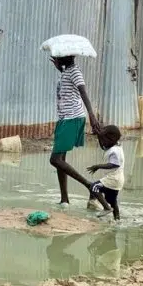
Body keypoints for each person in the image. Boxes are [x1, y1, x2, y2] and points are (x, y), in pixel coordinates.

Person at [48, 55, 106, 209]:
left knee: (55, 159)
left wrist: (92, 116)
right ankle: (64, 199)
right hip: (65, 118)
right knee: (61, 159)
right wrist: (60, 69)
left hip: (72, 118)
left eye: (59, 57)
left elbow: (83, 93)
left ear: (66, 58)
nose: (56, 58)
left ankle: (90, 186)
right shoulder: (67, 71)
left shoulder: (75, 72)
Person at [89, 125, 125, 221]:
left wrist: (98, 166)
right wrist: (98, 135)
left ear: (111, 139)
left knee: (94, 187)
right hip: (117, 179)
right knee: (112, 201)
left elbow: (114, 164)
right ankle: (117, 220)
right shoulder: (114, 145)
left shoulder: (115, 151)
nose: (102, 143)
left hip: (113, 178)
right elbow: (103, 146)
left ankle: (106, 207)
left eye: (104, 139)